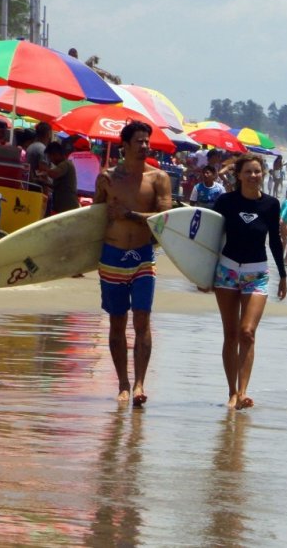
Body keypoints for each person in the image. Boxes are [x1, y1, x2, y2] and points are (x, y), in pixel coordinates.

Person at [93, 122, 173, 407]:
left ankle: (139, 383)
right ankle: (123, 384)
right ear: (125, 146)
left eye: (147, 141)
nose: (145, 146)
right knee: (117, 322)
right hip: (112, 257)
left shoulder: (159, 178)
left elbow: (164, 220)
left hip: (142, 257)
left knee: (142, 319)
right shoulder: (107, 177)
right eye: (139, 141)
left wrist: (130, 215)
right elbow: (94, 217)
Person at [210, 153, 287, 410]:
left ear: (263, 174)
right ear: (238, 176)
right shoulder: (226, 202)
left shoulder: (271, 204)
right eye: (248, 172)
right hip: (227, 271)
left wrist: (283, 275)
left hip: (257, 273)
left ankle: (243, 392)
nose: (254, 176)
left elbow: (275, 241)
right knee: (231, 334)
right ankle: (232, 392)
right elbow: (209, 237)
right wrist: (201, 274)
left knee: (247, 332)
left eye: (257, 171)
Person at [44, 140, 79, 214]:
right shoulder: (63, 165)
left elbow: (54, 174)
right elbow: (57, 186)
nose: (51, 160)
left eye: (50, 157)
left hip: (67, 208)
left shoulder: (65, 164)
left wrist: (44, 169)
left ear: (56, 154)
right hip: (62, 207)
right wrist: (43, 183)